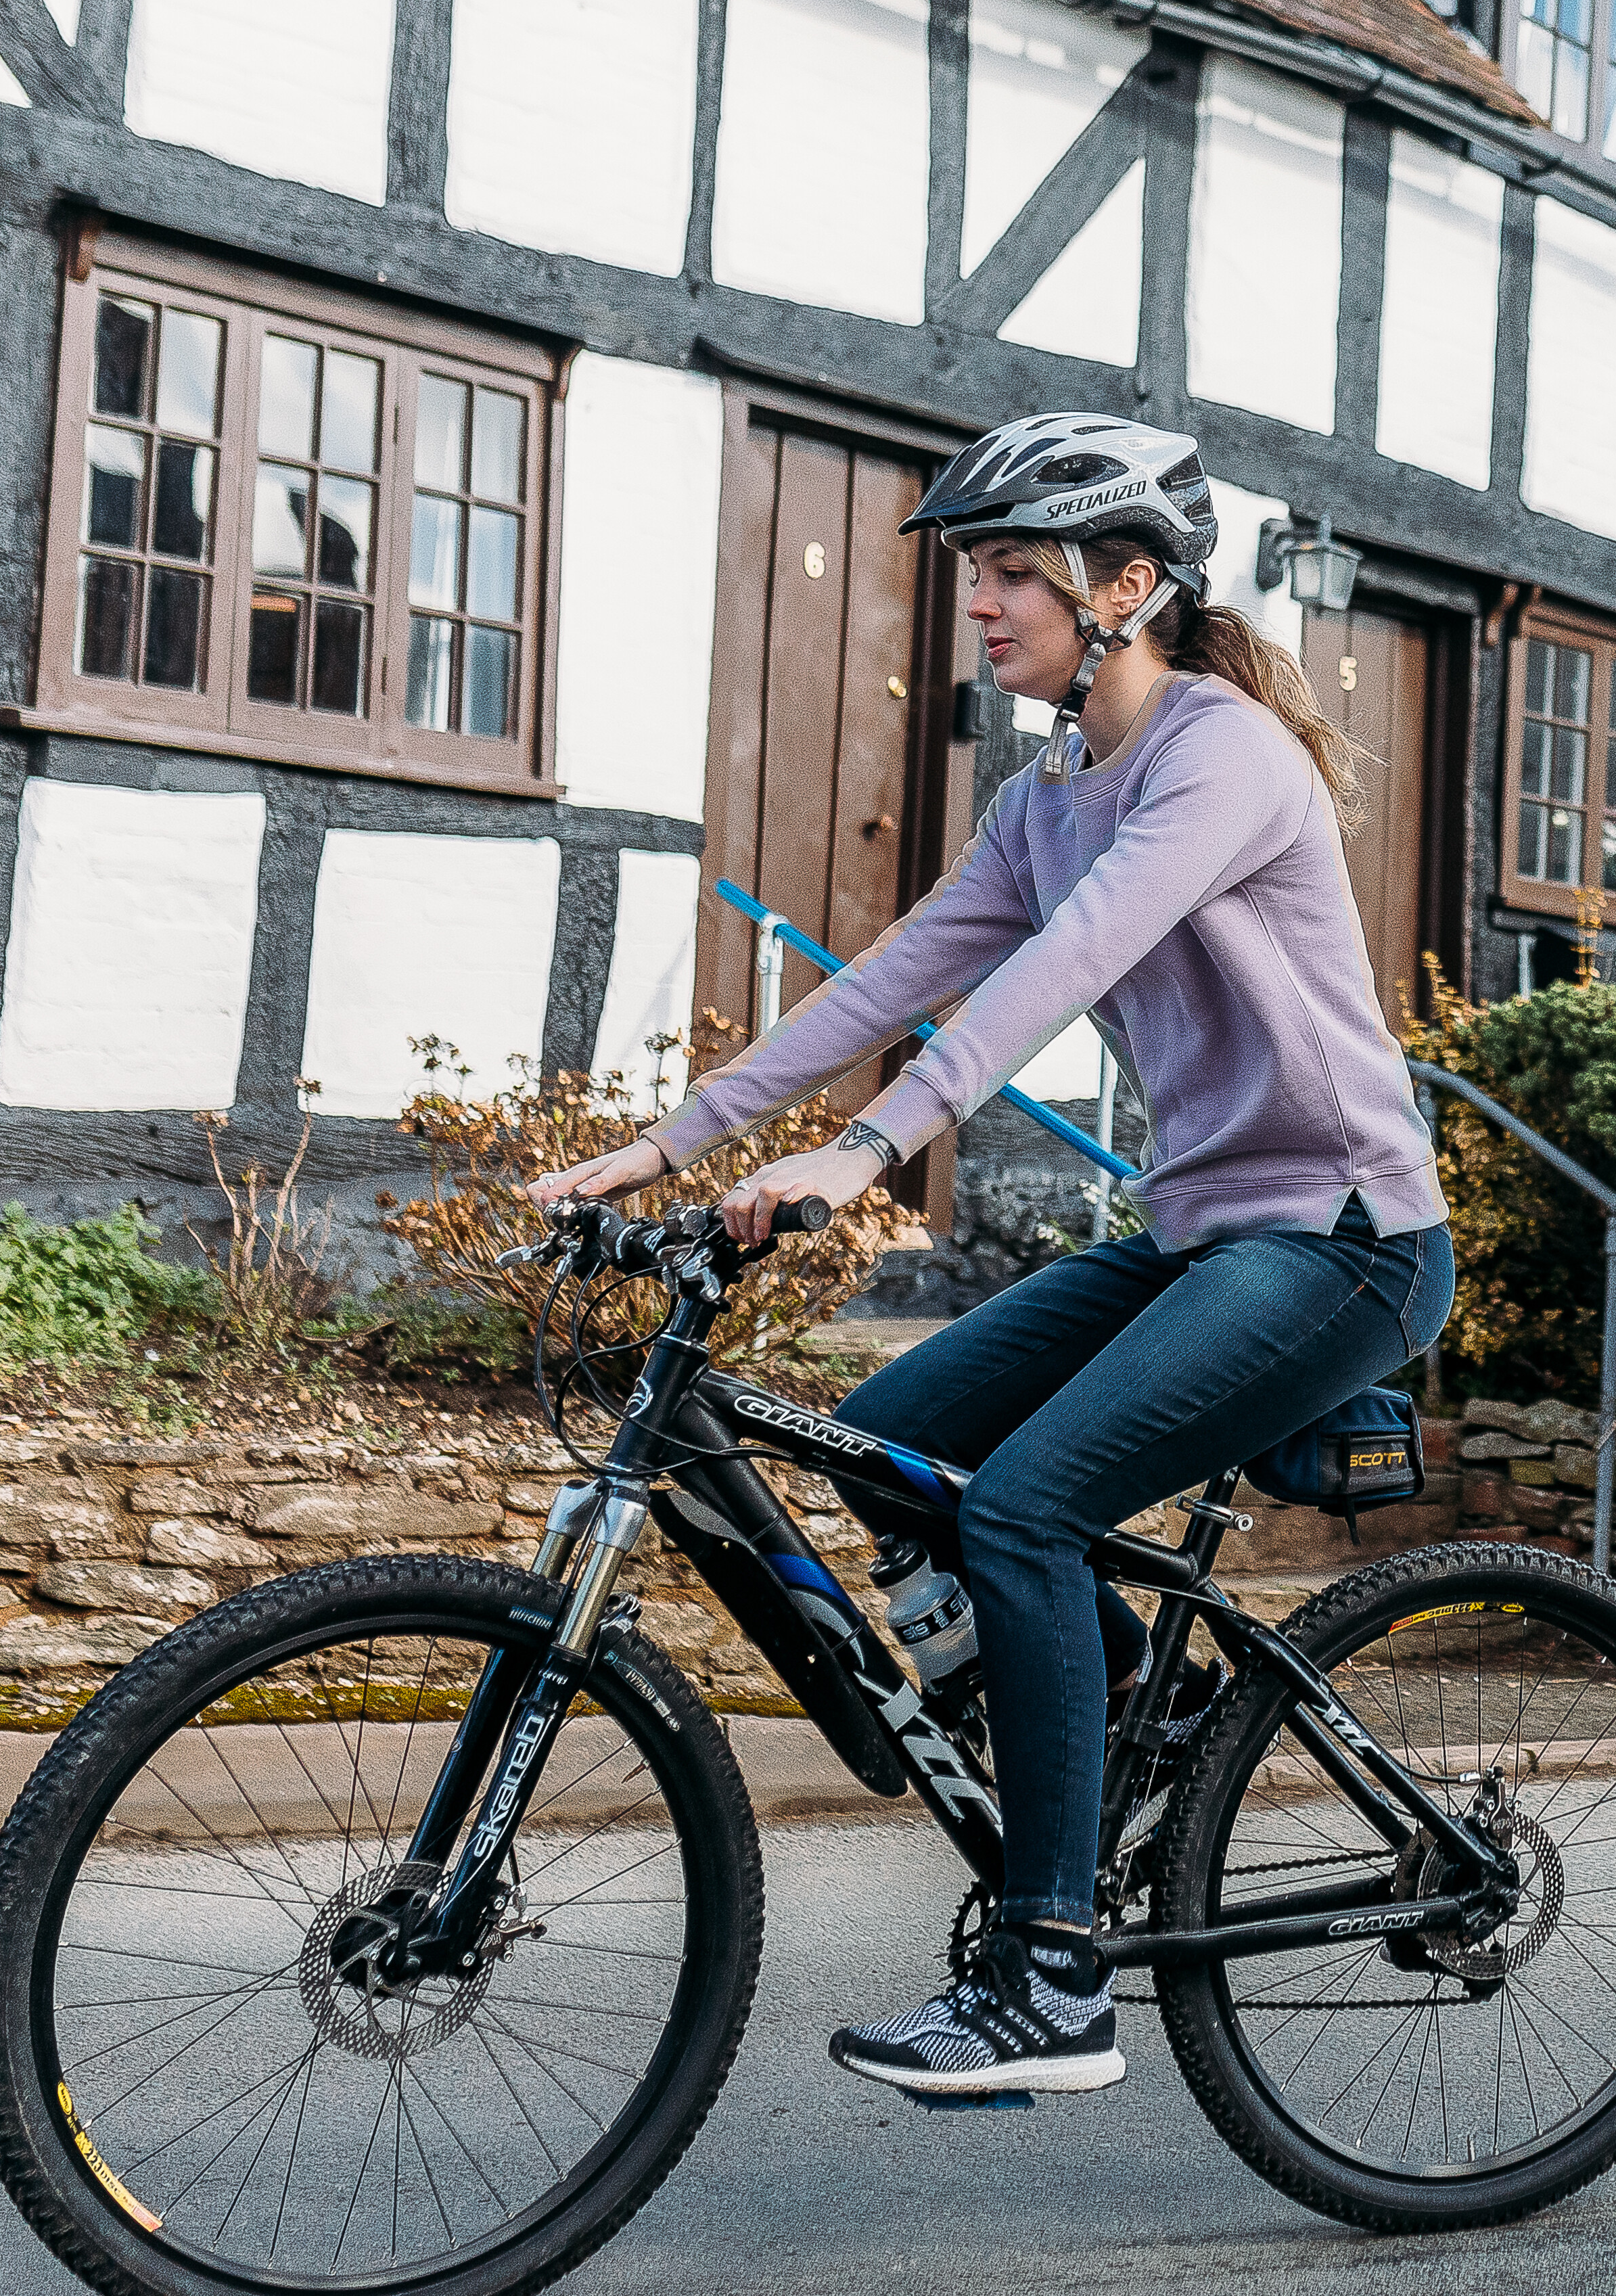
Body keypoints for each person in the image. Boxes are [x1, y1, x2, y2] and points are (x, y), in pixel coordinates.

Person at [525, 412, 1451, 2098]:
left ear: (1128, 585)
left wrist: (872, 1148)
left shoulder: (1220, 753)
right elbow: (901, 971)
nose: (981, 604)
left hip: (1343, 1239)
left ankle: (1054, 1978)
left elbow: (1065, 967)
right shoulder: (1053, 792)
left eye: (1012, 571)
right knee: (902, 1450)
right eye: (978, 573)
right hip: (1200, 1232)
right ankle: (1116, 1731)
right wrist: (674, 1137)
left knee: (1022, 1508)